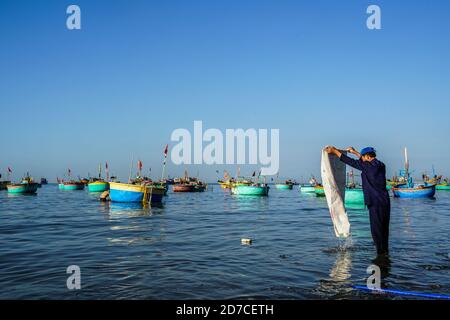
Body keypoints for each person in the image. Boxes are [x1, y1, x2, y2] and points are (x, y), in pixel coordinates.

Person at [325, 146, 391, 256]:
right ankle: (385, 253)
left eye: (364, 157)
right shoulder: (380, 165)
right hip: (385, 202)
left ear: (368, 156)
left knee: (377, 231)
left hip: (375, 203)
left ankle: (380, 256)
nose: (362, 159)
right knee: (384, 230)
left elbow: (352, 162)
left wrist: (334, 151)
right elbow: (363, 161)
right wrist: (354, 152)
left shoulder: (368, 166)